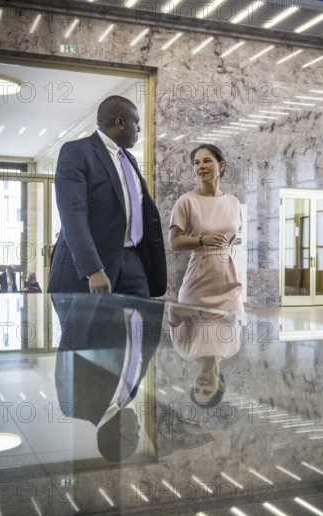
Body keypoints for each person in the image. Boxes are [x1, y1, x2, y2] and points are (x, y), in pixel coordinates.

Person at [48, 95, 166, 298]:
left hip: (132, 261)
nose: (139, 129)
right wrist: (93, 269)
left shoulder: (129, 160)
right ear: (120, 122)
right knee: (96, 330)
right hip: (93, 266)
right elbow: (72, 215)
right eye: (136, 122)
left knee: (141, 326)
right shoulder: (76, 152)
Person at [53, 293, 164, 461]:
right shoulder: (128, 397)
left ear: (116, 437)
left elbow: (71, 344)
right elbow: (142, 354)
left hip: (101, 294)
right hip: (139, 298)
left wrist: (92, 296)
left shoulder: (75, 406)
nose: (139, 427)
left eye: (135, 434)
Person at [169, 144, 243, 313]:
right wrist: (202, 240)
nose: (201, 166)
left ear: (221, 166)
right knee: (198, 339)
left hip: (229, 287)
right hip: (197, 288)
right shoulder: (186, 201)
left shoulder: (234, 203)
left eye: (207, 161)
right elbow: (174, 243)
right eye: (196, 163)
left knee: (230, 336)